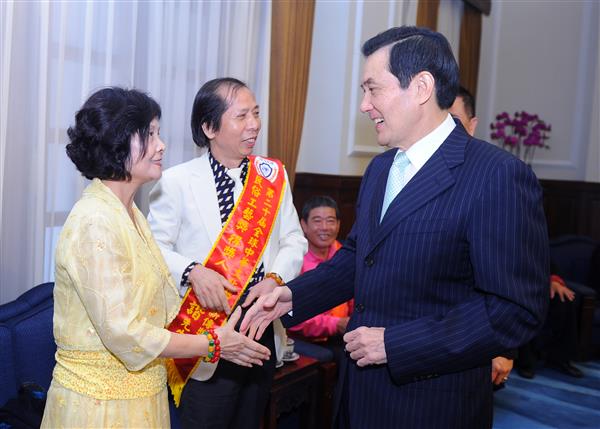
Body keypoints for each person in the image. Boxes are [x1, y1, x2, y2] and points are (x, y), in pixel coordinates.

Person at [241, 26, 549, 429]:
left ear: (421, 87)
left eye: (373, 89)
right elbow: (359, 258)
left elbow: (514, 311)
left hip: (431, 405)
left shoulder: (496, 175)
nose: (364, 105)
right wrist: (291, 295)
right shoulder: (380, 168)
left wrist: (395, 344)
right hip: (357, 395)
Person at [41, 87, 270, 428]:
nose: (161, 145)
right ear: (117, 142)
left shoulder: (130, 213)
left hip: (143, 398)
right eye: (149, 134)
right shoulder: (94, 221)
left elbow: (159, 305)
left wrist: (221, 327)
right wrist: (211, 343)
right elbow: (124, 332)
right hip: (99, 406)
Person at [148, 78, 306, 429]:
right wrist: (192, 271)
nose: (254, 125)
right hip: (206, 331)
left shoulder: (272, 176)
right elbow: (152, 247)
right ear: (209, 127)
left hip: (261, 325)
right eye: (241, 116)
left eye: (256, 114)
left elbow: (294, 239)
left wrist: (275, 279)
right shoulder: (176, 181)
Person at [449, 86, 515, 387]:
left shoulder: (496, 175)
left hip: (475, 337)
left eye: (454, 120)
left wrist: (503, 348)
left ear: (472, 125)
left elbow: (508, 277)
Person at [288, 196, 353, 363]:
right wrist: (336, 324)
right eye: (317, 221)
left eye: (330, 221)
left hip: (341, 333)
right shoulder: (295, 260)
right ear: (304, 225)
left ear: (338, 224)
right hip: (300, 337)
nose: (325, 227)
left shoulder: (344, 255)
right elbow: (293, 317)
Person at [516, 272, 583, 378]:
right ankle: (525, 361)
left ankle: (560, 358)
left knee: (563, 298)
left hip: (539, 283)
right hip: (513, 284)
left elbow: (549, 266)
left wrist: (554, 281)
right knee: (525, 301)